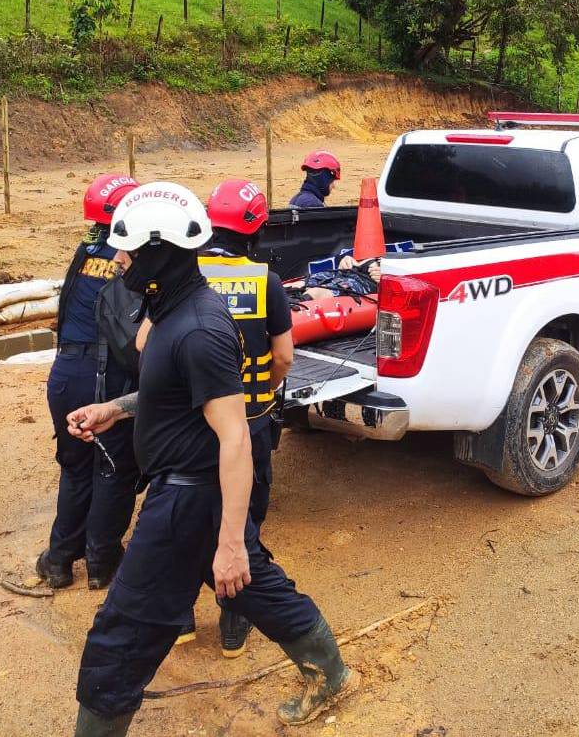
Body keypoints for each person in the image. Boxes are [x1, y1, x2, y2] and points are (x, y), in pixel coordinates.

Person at [65, 182, 358, 735]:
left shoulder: (198, 329)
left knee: (122, 631)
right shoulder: (171, 311)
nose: (116, 257)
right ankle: (331, 674)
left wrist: (227, 544)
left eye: (125, 247)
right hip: (192, 492)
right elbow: (173, 398)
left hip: (187, 499)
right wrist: (116, 409)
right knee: (255, 588)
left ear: (158, 254)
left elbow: (236, 439)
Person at [168, 178, 294, 657]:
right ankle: (233, 626)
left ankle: (179, 619)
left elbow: (146, 346)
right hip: (250, 420)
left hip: (189, 423)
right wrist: (264, 388)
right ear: (256, 228)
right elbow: (283, 356)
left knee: (182, 516)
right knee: (241, 523)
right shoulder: (265, 281)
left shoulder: (181, 276)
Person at [35, 174, 142, 590]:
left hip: (65, 374)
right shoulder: (133, 260)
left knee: (75, 468)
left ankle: (59, 560)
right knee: (113, 468)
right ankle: (102, 561)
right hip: (108, 376)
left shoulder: (86, 249)